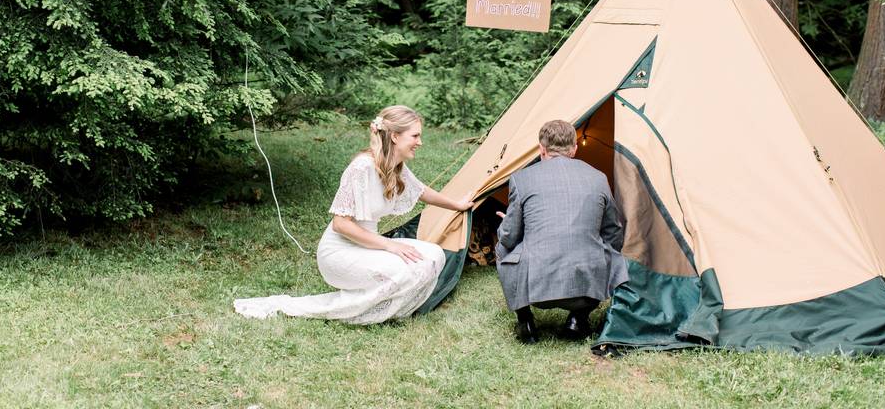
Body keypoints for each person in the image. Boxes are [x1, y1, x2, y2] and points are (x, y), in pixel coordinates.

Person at [234, 105, 473, 325]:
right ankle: (367, 311)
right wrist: (389, 245)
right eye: (415, 136)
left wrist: (457, 205)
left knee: (433, 255)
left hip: (368, 245)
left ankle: (393, 307)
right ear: (394, 136)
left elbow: (421, 191)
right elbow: (340, 224)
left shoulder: (394, 165)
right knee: (409, 269)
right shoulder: (362, 167)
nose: (420, 142)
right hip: (339, 253)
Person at [495, 119, 628, 343]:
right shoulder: (598, 177)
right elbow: (613, 231)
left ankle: (525, 320)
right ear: (574, 149)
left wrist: (505, 226)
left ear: (542, 149)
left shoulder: (521, 178)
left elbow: (510, 235)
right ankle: (578, 318)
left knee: (502, 248)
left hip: (535, 290)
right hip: (585, 289)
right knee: (612, 254)